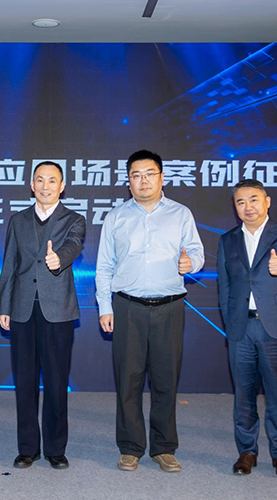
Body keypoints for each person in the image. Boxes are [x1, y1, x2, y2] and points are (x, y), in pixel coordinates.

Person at [95, 149, 204, 472]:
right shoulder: (116, 217)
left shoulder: (181, 214)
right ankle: (130, 447)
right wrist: (105, 306)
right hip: (127, 307)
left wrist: (191, 262)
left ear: (162, 178)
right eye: (136, 176)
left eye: (149, 174)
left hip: (170, 307)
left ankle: (164, 448)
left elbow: (197, 251)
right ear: (128, 182)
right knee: (128, 380)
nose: (143, 181)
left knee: (165, 380)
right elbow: (104, 266)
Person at [216, 179, 277, 477]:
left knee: (276, 394)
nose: (248, 207)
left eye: (254, 199)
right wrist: (230, 323)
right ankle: (247, 452)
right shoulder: (227, 240)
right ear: (235, 207)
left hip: (275, 328)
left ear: (267, 201)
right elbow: (225, 286)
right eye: (241, 202)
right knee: (243, 396)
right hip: (241, 328)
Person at [0, 161, 86, 470]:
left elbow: (74, 245)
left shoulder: (74, 219)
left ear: (62, 186)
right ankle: (27, 448)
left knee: (56, 381)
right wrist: (4, 306)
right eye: (40, 180)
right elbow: (9, 264)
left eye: (52, 180)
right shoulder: (18, 220)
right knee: (24, 381)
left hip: (57, 311)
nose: (45, 186)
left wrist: (58, 258)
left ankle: (55, 449)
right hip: (22, 309)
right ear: (31, 185)